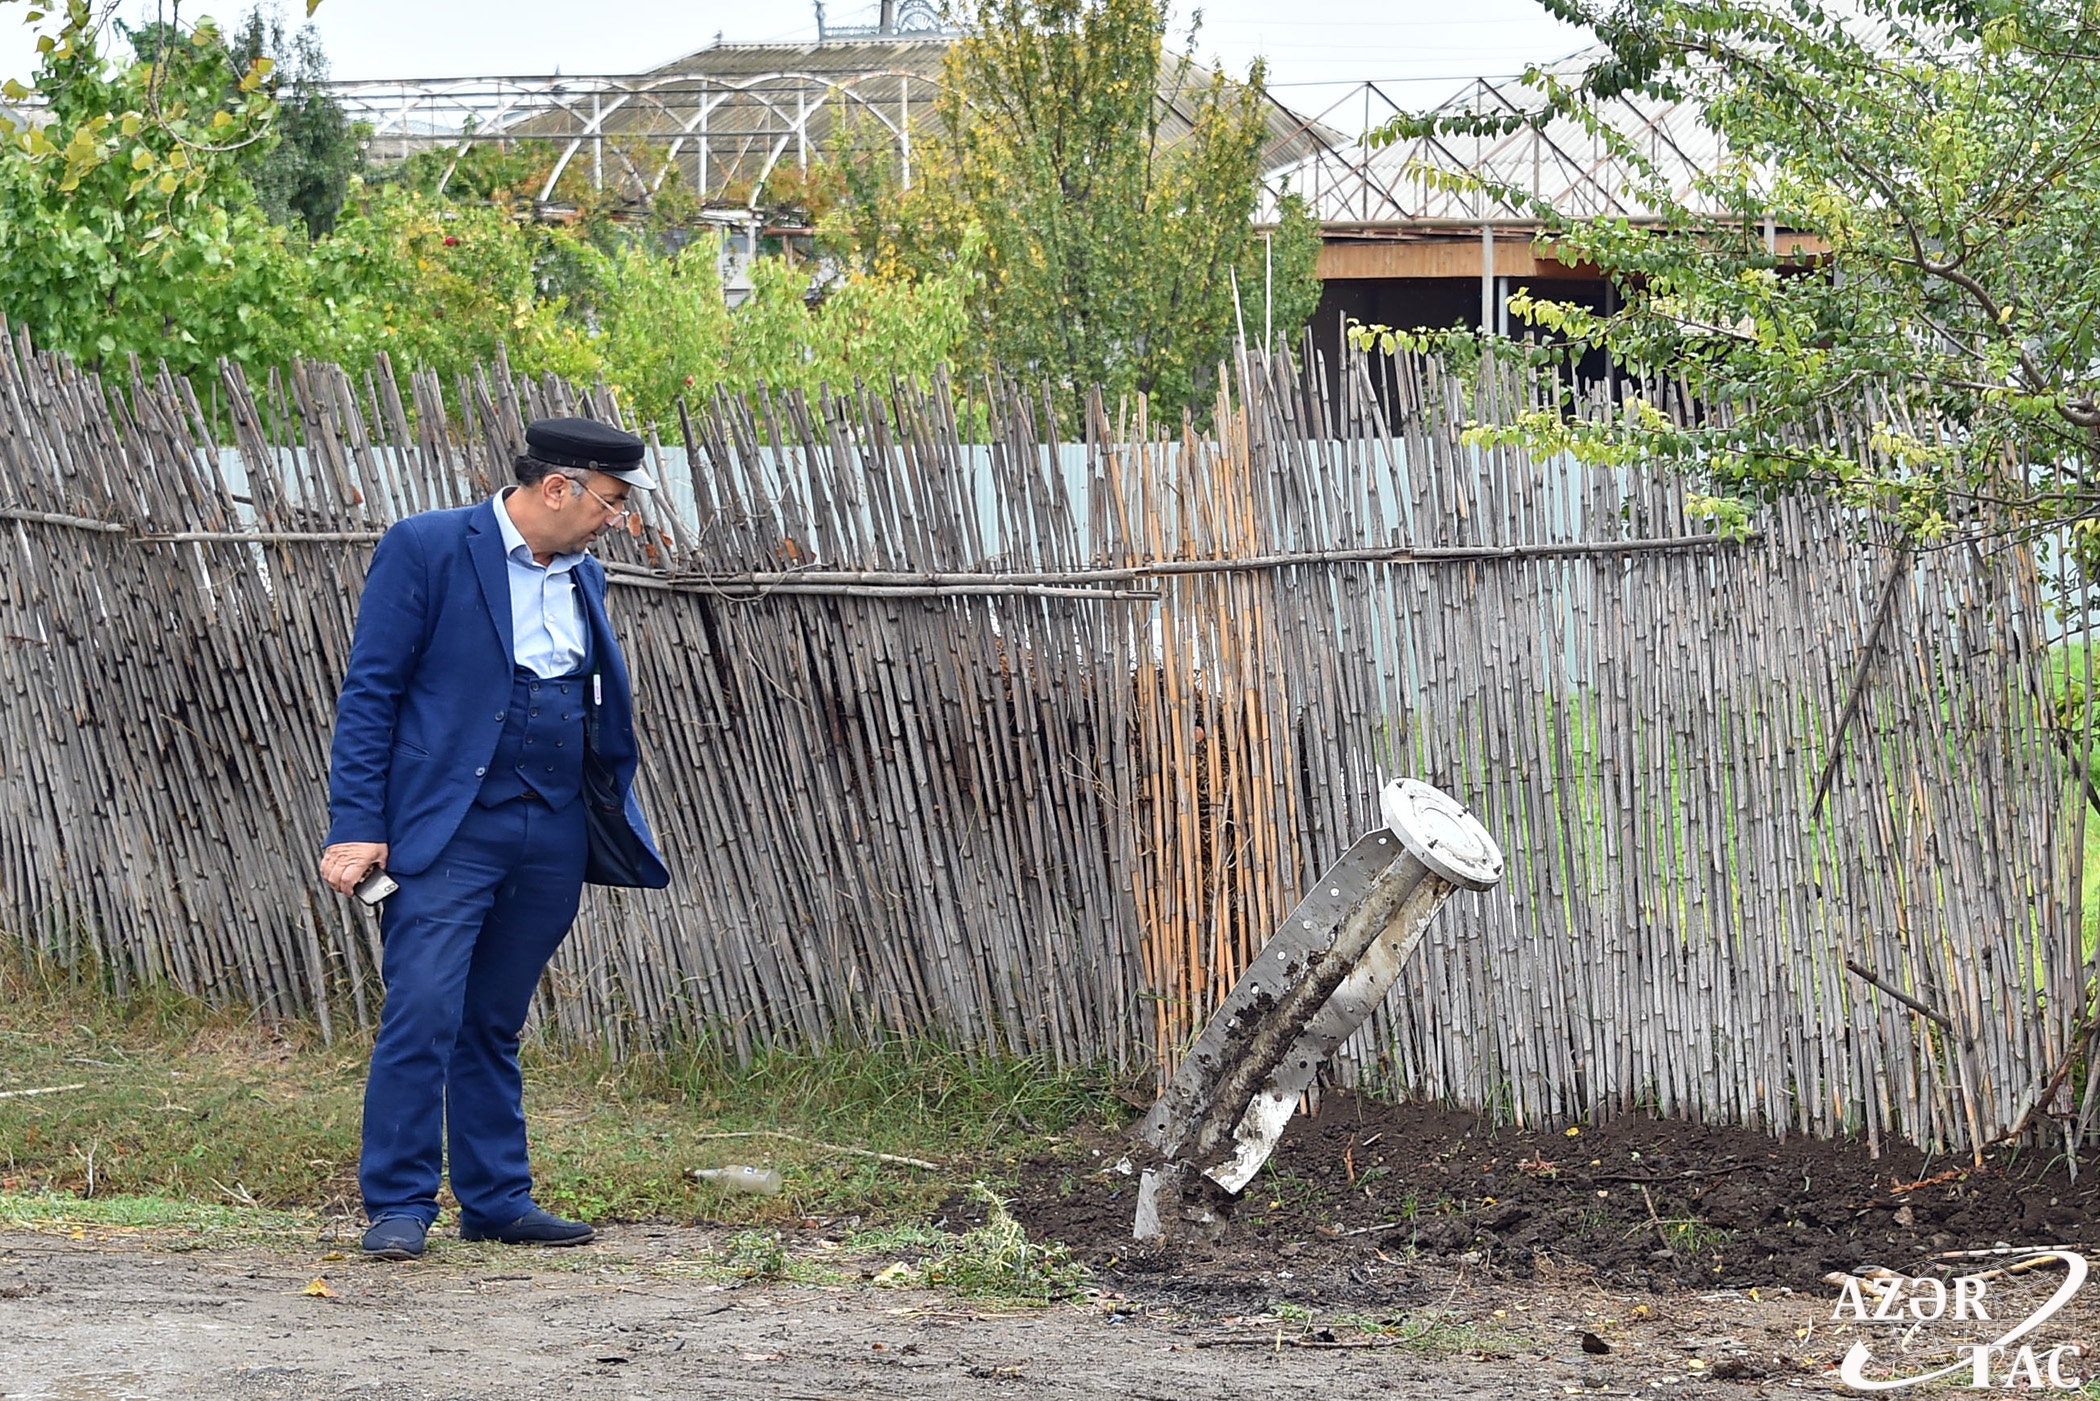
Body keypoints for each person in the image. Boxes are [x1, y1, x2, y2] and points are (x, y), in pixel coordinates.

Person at [318, 417, 672, 1261]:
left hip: (550, 826)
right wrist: (359, 824)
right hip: (448, 829)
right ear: (559, 487)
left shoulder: (586, 576)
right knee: (424, 1008)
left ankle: (497, 1199)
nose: (618, 519)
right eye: (612, 501)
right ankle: (398, 1203)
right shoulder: (429, 546)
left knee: (494, 1017)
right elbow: (372, 692)